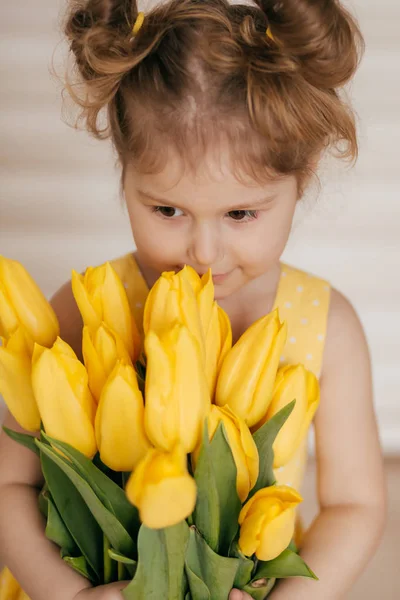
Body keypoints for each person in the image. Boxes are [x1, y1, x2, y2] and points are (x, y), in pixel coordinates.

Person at [0, 0, 387, 599]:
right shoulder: (89, 309)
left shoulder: (325, 327)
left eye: (240, 213)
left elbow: (355, 504)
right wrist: (66, 594)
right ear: (124, 173)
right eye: (167, 210)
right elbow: (9, 485)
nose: (203, 251)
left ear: (302, 175)